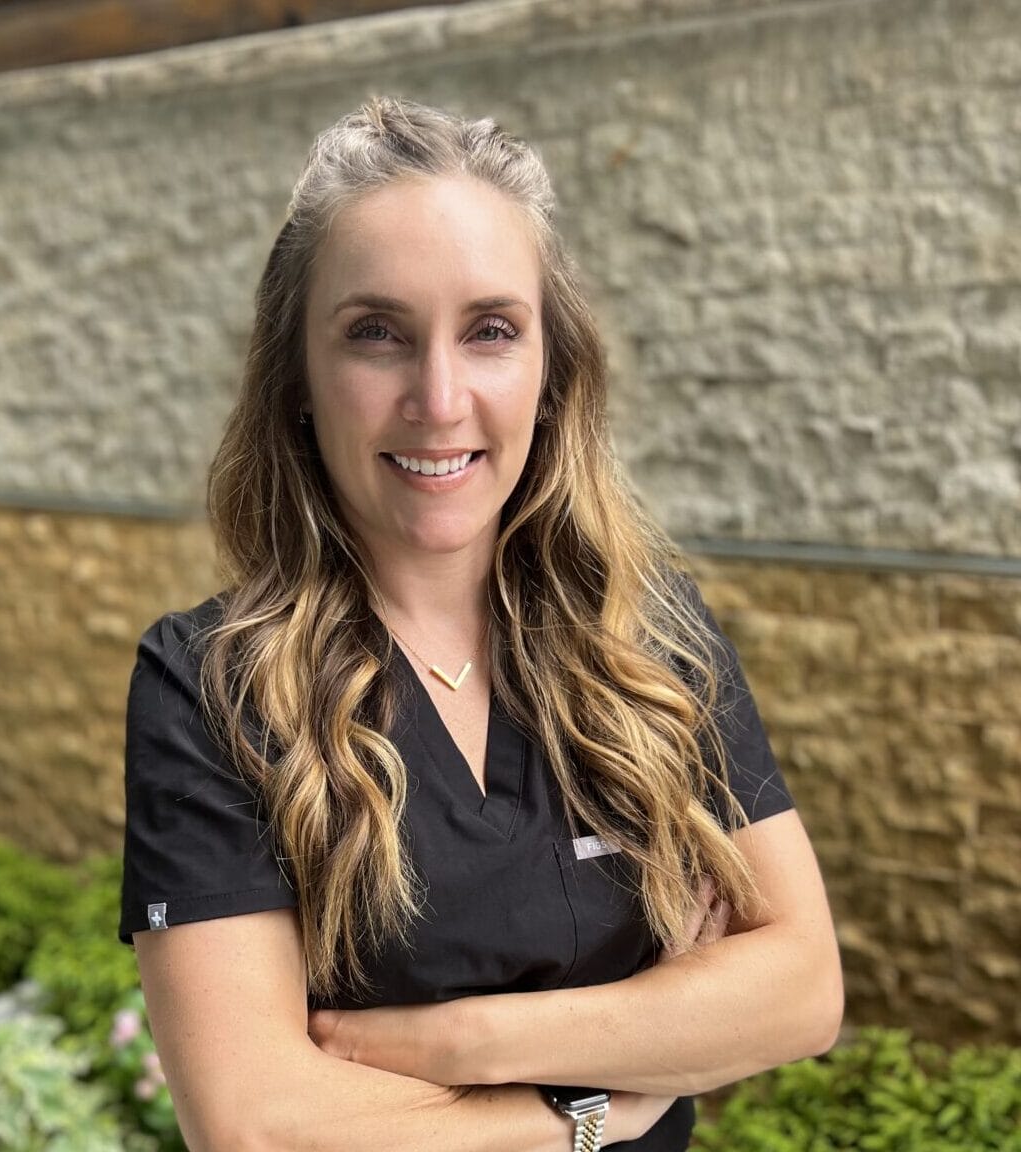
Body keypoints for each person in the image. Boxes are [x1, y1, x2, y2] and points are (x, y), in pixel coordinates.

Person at [118, 97, 843, 1151]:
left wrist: (466, 1045)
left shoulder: (651, 639)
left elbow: (802, 989)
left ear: (552, 371)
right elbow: (256, 1122)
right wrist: (595, 1102)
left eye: (491, 331)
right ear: (299, 381)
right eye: (377, 334)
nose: (440, 396)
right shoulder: (212, 686)